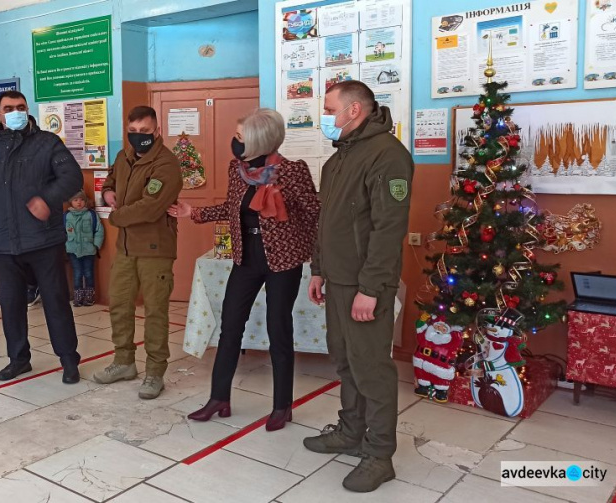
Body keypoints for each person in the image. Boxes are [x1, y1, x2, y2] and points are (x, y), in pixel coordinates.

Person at [169, 108, 320, 431]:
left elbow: (315, 214)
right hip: (246, 258)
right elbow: (230, 207)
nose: (235, 143)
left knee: (279, 330)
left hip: (282, 261)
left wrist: (314, 255)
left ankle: (282, 406)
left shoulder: (293, 172)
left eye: (241, 137)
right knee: (230, 326)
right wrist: (193, 212)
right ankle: (218, 398)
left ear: (260, 140)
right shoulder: (236, 170)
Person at [304, 80, 413, 493]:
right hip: (338, 279)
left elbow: (389, 229)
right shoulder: (337, 160)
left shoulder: (388, 156)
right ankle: (351, 432)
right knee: (345, 360)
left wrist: (372, 287)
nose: (325, 117)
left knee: (372, 369)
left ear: (353, 111)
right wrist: (318, 269)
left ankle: (380, 454)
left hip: (367, 285)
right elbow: (326, 222)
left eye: (330, 109)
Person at [0, 90, 83, 384]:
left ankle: (68, 360)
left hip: (44, 240)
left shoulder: (47, 143)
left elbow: (72, 177)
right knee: (11, 305)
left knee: (56, 302)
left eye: (21, 107)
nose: (15, 111)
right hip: (3, 243)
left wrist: (47, 198)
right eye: (8, 108)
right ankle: (18, 359)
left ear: (28, 110)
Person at [92, 106, 181, 400]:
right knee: (119, 305)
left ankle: (155, 372)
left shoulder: (166, 164)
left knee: (155, 311)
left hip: (155, 249)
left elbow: (150, 206)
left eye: (145, 132)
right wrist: (107, 193)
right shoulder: (124, 156)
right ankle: (124, 362)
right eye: (133, 131)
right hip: (127, 248)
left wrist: (115, 218)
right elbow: (110, 180)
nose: (138, 137)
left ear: (157, 131)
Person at [65, 190, 104, 307]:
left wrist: (96, 245)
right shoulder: (66, 216)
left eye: (82, 200)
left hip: (89, 249)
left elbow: (99, 230)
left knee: (88, 273)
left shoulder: (91, 215)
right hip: (73, 250)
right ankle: (78, 297)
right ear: (71, 202)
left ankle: (89, 297)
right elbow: (63, 233)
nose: (79, 203)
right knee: (77, 273)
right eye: (76, 200)